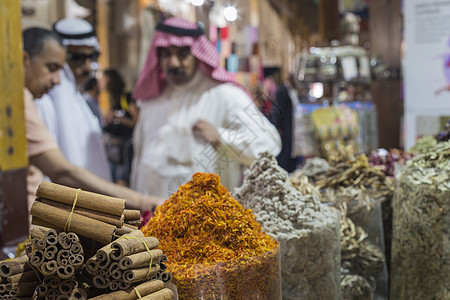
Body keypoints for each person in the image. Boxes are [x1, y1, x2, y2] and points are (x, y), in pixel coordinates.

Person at [131, 17, 281, 197]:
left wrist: (222, 137)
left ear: (197, 54)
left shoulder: (224, 95)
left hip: (205, 220)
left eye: (182, 54)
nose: (173, 63)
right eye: (166, 54)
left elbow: (269, 144)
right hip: (149, 216)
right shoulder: (151, 100)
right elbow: (139, 160)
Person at [23, 27, 163, 212]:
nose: (57, 80)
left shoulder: (73, 98)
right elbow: (62, 171)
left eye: (92, 57)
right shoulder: (29, 100)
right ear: (24, 60)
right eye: (51, 68)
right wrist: (142, 202)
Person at [34, 18, 111, 181]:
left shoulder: (79, 98)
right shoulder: (45, 100)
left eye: (93, 57)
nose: (88, 66)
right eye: (78, 58)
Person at [100, 69, 138, 186]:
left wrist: (120, 119)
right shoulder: (113, 99)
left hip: (125, 147)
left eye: (104, 79)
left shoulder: (126, 98)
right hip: (114, 149)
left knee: (122, 179)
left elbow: (136, 121)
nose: (101, 82)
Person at [270, 73, 301, 173]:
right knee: (284, 152)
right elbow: (277, 110)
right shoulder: (282, 91)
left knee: (291, 151)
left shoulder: (292, 91)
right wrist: (277, 126)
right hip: (284, 128)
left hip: (291, 128)